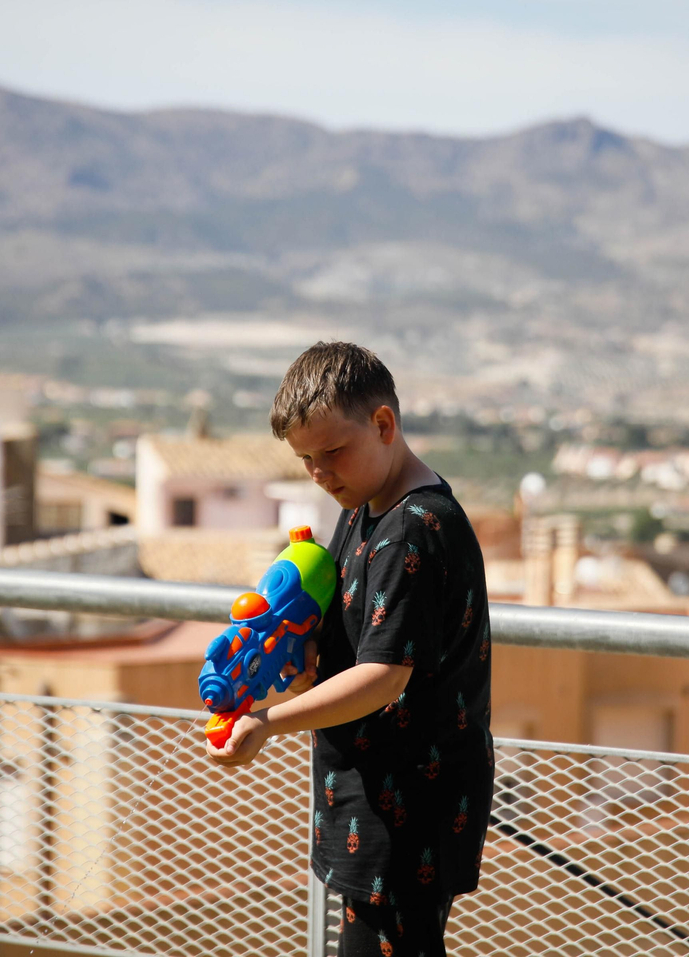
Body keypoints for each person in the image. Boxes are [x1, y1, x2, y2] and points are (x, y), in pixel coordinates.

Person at [208, 341, 493, 957]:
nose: (319, 472)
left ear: (384, 424)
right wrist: (300, 651)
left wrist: (266, 722)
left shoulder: (412, 528)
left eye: (332, 451)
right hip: (375, 803)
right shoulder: (364, 502)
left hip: (408, 812)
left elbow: (384, 675)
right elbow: (354, 629)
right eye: (306, 459)